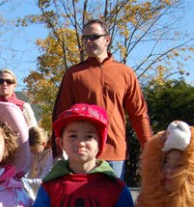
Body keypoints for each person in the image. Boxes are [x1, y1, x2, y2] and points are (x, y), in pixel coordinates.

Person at [52, 19, 152, 179]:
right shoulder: (74, 74)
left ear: (107, 39)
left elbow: (139, 114)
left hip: (115, 153)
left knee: (114, 202)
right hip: (82, 153)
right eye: (84, 38)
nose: (88, 42)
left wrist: (149, 148)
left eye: (93, 37)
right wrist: (58, 153)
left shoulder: (125, 73)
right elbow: (60, 115)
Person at [22, 125, 54, 199]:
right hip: (36, 182)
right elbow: (26, 167)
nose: (31, 152)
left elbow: (44, 180)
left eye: (33, 150)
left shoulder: (52, 155)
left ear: (43, 144)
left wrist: (24, 182)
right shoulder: (36, 151)